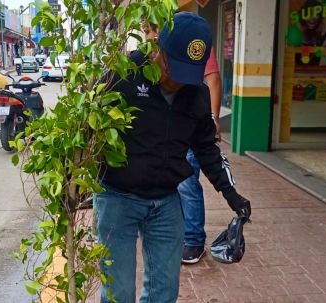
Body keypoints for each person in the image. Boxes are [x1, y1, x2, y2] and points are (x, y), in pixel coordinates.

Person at [94, 12, 251, 303]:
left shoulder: (196, 94)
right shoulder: (123, 76)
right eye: (174, 68)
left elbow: (206, 149)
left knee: (164, 293)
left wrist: (232, 195)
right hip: (117, 198)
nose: (179, 82)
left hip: (166, 201)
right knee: (119, 294)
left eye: (188, 73)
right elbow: (89, 130)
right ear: (158, 49)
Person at [143, 10, 223, 265]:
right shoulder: (143, 63)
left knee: (188, 183)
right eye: (145, 31)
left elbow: (212, 79)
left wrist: (212, 118)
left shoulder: (192, 43)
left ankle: (194, 240)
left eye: (150, 30)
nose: (148, 36)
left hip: (189, 126)